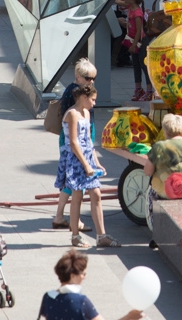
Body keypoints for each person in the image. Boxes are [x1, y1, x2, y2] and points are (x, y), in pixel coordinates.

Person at [56, 84, 118, 248]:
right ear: (83, 98)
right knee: (77, 196)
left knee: (96, 194)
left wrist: (96, 162)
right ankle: (75, 236)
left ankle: (101, 235)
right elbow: (74, 143)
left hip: (87, 158)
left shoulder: (86, 113)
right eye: (93, 99)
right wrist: (86, 165)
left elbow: (88, 141)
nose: (94, 103)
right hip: (76, 160)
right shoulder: (72, 114)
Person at [39, 250, 144, 320]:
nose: (84, 277)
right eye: (83, 273)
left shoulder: (48, 297)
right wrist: (130, 317)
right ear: (72, 275)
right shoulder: (81, 301)